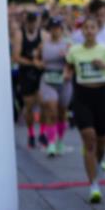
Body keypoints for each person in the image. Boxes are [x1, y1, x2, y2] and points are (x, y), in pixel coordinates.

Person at [66, 15, 105, 203]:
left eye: (92, 27)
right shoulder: (74, 51)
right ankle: (93, 184)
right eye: (86, 28)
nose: (89, 31)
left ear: (97, 30)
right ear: (81, 31)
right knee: (89, 140)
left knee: (102, 142)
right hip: (82, 97)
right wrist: (66, 74)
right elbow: (69, 67)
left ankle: (98, 163)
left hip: (103, 96)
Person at [11, 10, 45, 149]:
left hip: (40, 74)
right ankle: (31, 134)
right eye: (30, 21)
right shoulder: (20, 35)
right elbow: (16, 57)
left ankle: (42, 133)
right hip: (26, 74)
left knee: (44, 104)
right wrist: (33, 62)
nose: (32, 24)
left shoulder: (43, 34)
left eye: (34, 21)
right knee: (29, 106)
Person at [39, 17, 73, 156]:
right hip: (48, 80)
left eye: (58, 28)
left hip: (64, 81)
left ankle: (60, 141)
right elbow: (36, 57)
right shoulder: (44, 44)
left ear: (61, 29)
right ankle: (51, 143)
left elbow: (72, 62)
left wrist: (67, 59)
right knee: (51, 110)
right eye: (53, 28)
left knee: (62, 112)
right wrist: (38, 63)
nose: (56, 30)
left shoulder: (68, 44)